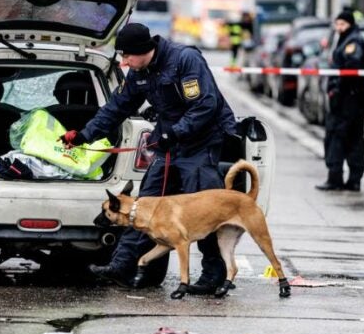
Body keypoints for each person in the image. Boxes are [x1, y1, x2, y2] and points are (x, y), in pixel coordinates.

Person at [59, 23, 237, 293]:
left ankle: (213, 276)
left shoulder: (184, 60)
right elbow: (117, 107)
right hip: (169, 145)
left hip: (200, 143)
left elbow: (205, 105)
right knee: (141, 207)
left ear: (144, 50)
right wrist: (85, 136)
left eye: (127, 56)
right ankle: (121, 266)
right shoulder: (139, 72)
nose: (124, 62)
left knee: (203, 211)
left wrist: (174, 133)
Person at [315, 11, 364, 191]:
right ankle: (351, 180)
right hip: (351, 99)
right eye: (337, 24)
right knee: (351, 138)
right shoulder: (346, 40)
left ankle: (337, 178)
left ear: (350, 24)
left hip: (348, 101)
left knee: (338, 137)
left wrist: (337, 90)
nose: (339, 28)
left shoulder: (352, 42)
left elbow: (351, 68)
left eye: (343, 25)